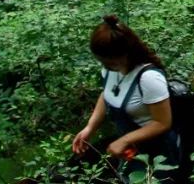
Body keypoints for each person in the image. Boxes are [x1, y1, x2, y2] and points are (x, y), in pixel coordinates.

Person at [72, 16, 180, 181]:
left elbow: (162, 123)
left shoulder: (148, 78)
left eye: (110, 60)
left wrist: (124, 140)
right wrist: (90, 128)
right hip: (132, 151)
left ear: (125, 52)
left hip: (158, 152)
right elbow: (106, 95)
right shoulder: (109, 70)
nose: (106, 64)